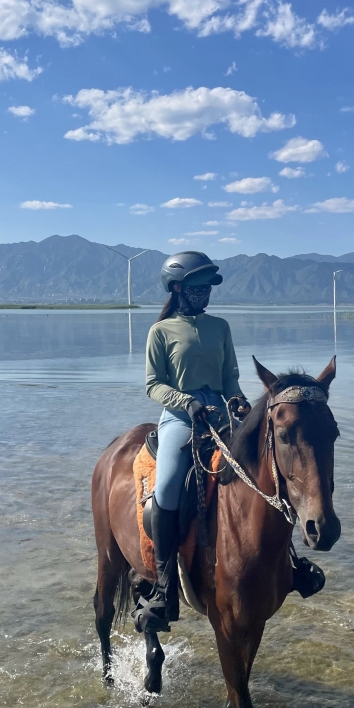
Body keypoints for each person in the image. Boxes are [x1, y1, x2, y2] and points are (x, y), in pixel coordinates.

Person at [132, 251, 250, 634]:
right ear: (178, 288)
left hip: (221, 414)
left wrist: (238, 400)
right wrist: (186, 402)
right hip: (180, 417)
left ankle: (290, 562)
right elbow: (153, 384)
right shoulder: (161, 331)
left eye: (208, 287)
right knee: (166, 489)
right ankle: (164, 586)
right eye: (198, 286)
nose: (205, 293)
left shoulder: (221, 327)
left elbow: (230, 377)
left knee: (261, 469)